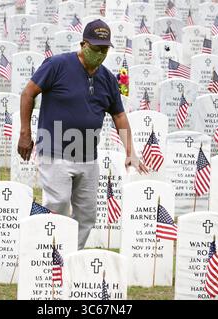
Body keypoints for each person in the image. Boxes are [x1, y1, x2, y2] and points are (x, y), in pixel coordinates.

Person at [18, 19, 148, 250]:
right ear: (83, 44)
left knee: (87, 214)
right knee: (57, 204)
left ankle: (68, 257)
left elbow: (119, 116)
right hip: (54, 149)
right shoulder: (57, 65)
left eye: (105, 49)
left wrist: (130, 151)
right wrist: (25, 132)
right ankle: (45, 254)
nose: (100, 54)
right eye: (96, 48)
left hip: (87, 155)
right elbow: (28, 93)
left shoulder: (107, 79)